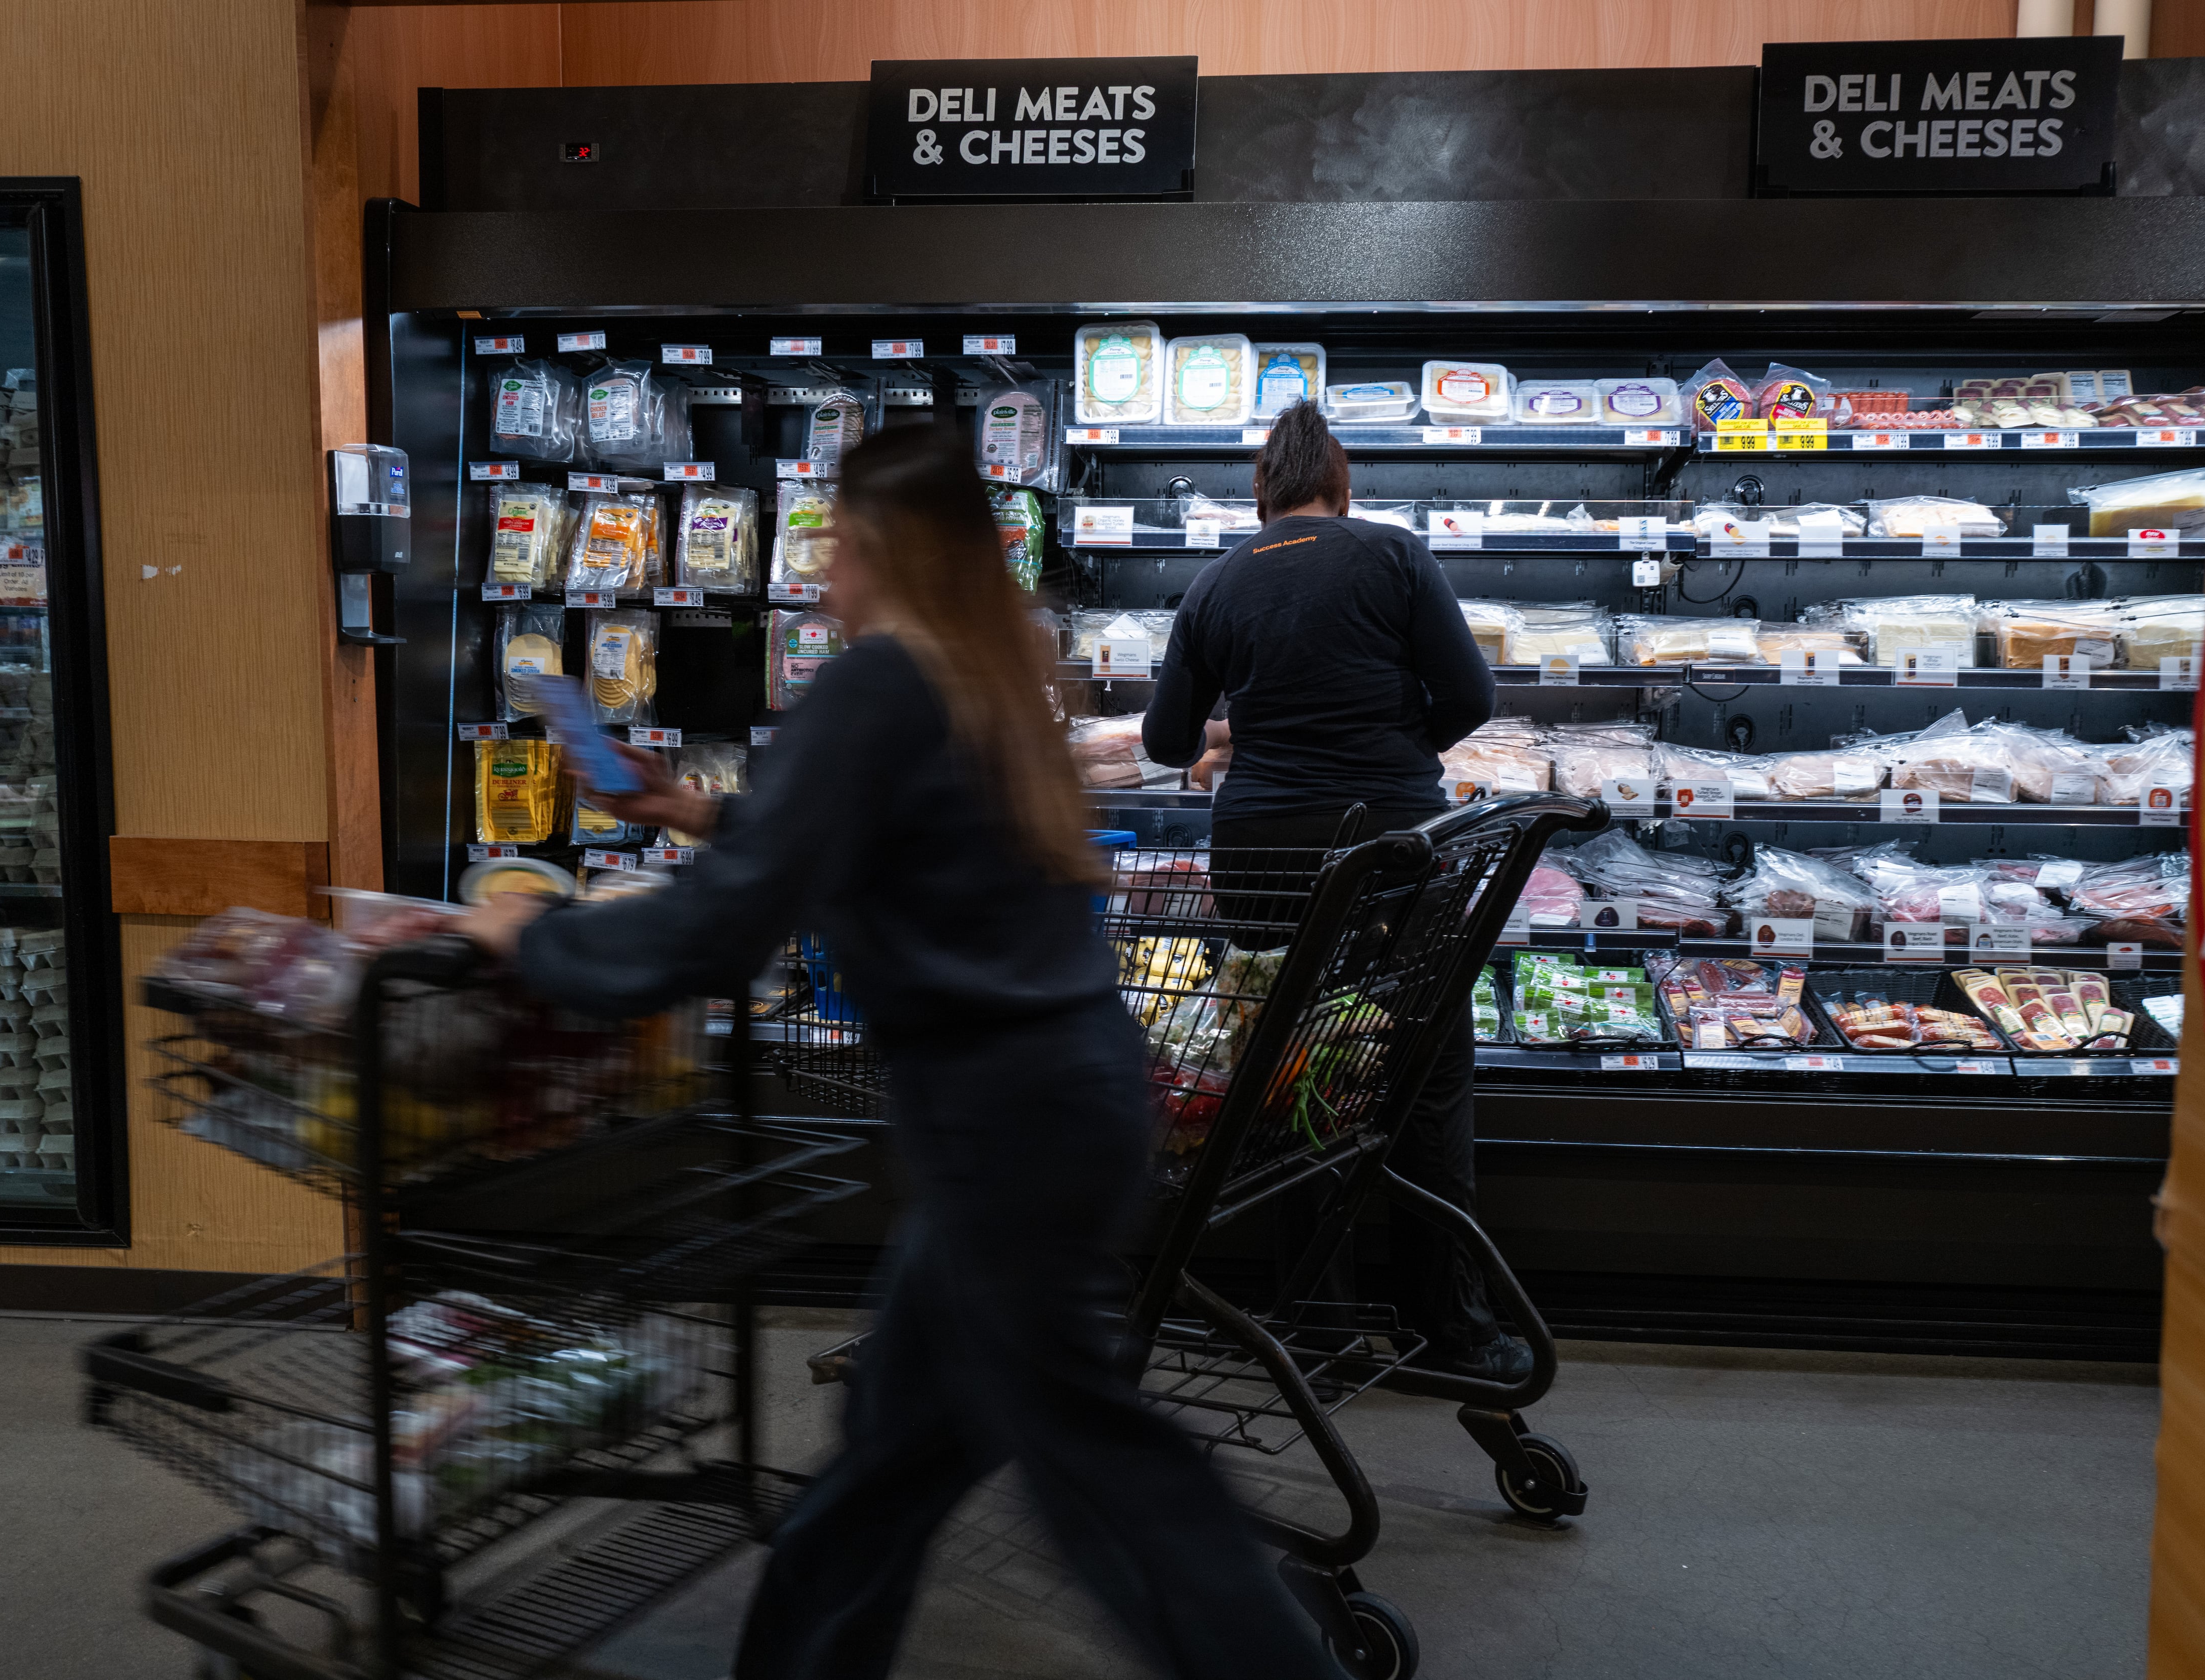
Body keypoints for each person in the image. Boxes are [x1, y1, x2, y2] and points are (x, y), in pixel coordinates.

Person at [464, 423, 1339, 1680]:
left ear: (878, 547)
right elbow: (872, 832)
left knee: (1102, 1474)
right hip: (1057, 1101)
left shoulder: (880, 680)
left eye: (833, 544)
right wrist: (689, 806)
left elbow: (724, 925)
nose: (821, 576)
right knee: (892, 1449)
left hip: (1003, 1127)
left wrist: (530, 942)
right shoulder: (983, 673)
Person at [1139, 399, 1529, 1383]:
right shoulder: (1391, 556)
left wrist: (1244, 734)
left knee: (1289, 1072)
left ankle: (1314, 1323)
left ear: (1259, 492)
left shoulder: (1215, 582)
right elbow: (1472, 698)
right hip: (1393, 847)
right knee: (1421, 1074)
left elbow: (1163, 742)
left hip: (1261, 855)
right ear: (1339, 489)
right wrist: (1395, 755)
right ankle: (1455, 1332)